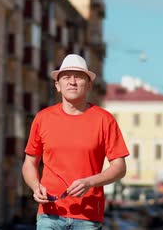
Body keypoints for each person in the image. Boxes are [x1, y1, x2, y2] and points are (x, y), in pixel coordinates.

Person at [22, 54, 129, 230]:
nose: (72, 81)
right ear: (58, 85)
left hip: (88, 217)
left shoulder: (104, 120)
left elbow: (119, 167)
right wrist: (35, 186)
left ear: (89, 85)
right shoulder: (43, 118)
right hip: (49, 214)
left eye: (78, 77)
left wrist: (89, 182)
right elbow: (29, 163)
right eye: (66, 77)